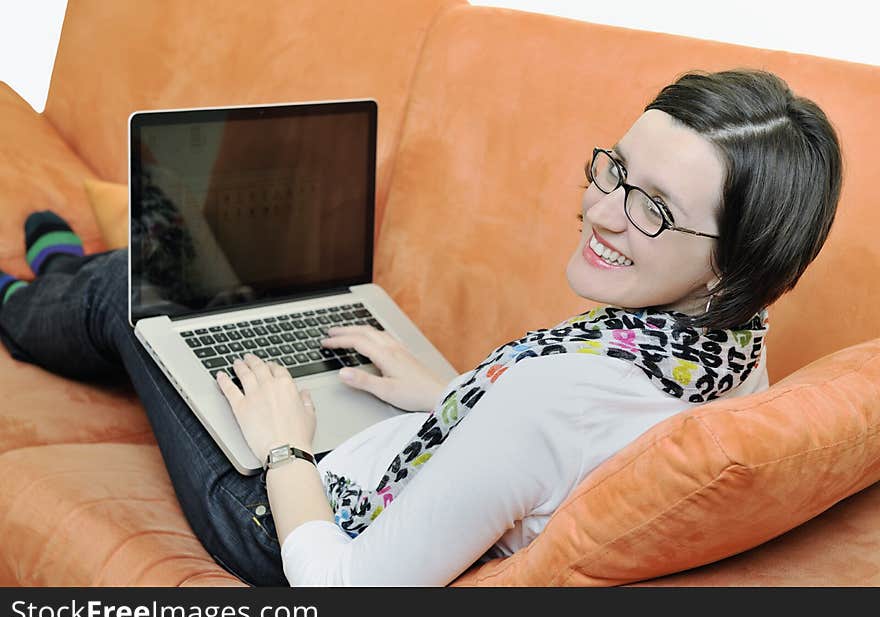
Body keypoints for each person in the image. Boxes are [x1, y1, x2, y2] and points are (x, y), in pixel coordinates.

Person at [0, 69, 841, 586]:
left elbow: (340, 586)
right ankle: (62, 268)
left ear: (738, 264)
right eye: (615, 169)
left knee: (132, 294)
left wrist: (287, 445)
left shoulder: (552, 402)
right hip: (397, 451)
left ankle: (28, 292)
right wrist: (448, 395)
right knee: (201, 277)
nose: (598, 209)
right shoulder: (729, 342)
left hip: (285, 526)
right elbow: (549, 460)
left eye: (651, 208)